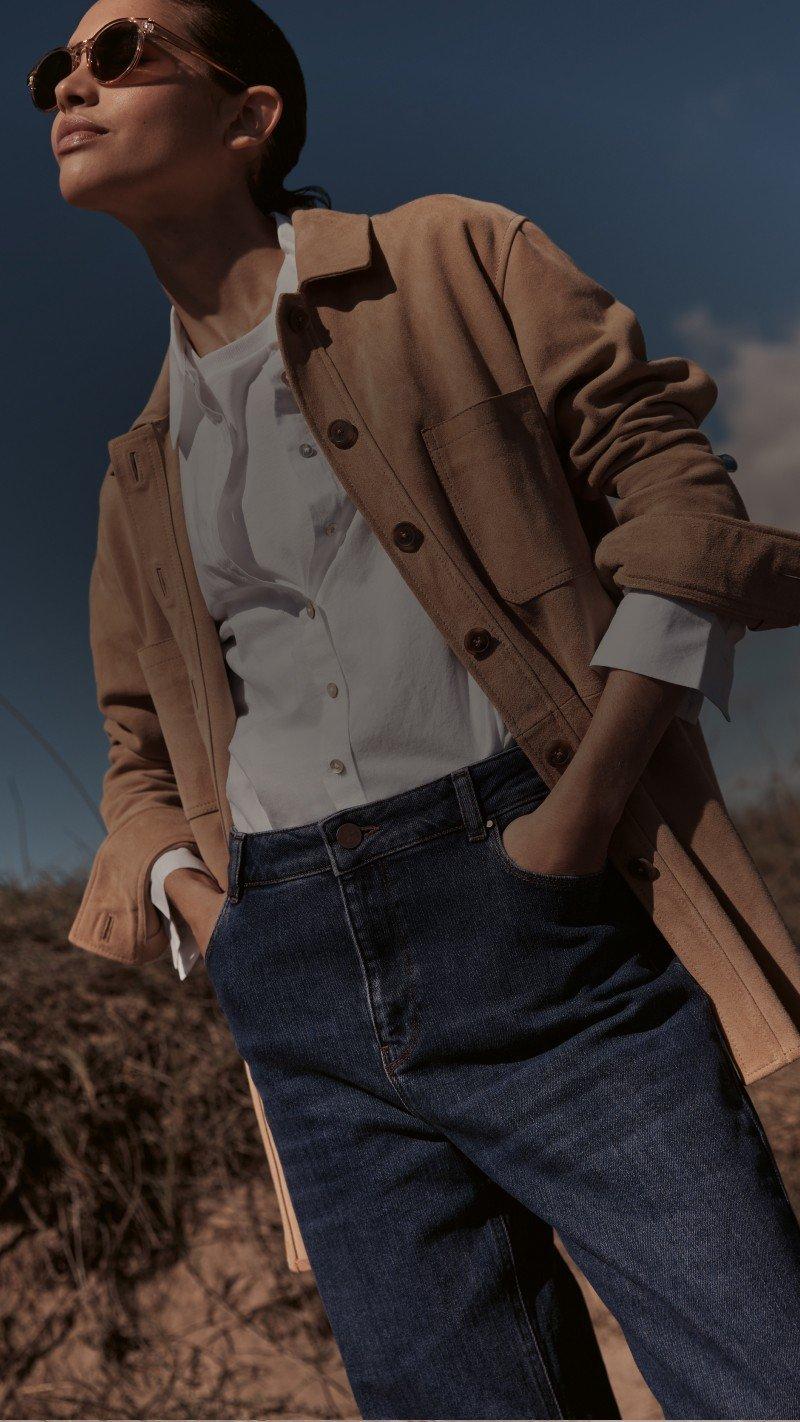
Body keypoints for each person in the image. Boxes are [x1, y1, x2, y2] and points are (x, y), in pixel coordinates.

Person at [34, 0, 800, 1415]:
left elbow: (677, 497)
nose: (69, 83)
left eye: (120, 51)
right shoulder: (137, 467)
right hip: (294, 972)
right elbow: (136, 753)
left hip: (539, 914)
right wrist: (218, 914)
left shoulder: (458, 255)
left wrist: (575, 817)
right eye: (54, 68)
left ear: (251, 117)